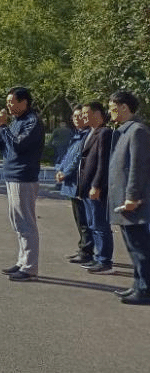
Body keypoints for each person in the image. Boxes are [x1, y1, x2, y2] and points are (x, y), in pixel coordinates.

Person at [0, 86, 46, 282]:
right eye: (7, 102)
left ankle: (30, 267)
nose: (8, 106)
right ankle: (22, 261)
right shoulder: (17, 121)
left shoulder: (32, 122)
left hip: (24, 176)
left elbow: (19, 145)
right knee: (18, 221)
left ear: (24, 102)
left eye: (11, 102)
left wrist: (3, 126)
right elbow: (7, 145)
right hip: (13, 175)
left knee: (26, 222)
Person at [106, 90, 150, 304]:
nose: (110, 112)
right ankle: (138, 284)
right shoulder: (126, 130)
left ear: (124, 107)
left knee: (140, 247)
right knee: (133, 246)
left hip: (132, 202)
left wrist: (132, 196)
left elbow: (137, 168)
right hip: (124, 201)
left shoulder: (137, 131)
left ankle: (145, 290)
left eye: (112, 107)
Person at [78, 101, 113, 274]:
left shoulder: (104, 132)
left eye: (86, 113)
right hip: (86, 187)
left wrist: (97, 185)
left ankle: (104, 261)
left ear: (98, 114)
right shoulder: (90, 132)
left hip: (95, 187)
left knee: (100, 224)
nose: (83, 116)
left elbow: (103, 162)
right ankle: (98, 257)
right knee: (92, 224)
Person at [56, 106, 93, 264]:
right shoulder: (77, 135)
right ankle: (83, 247)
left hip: (79, 183)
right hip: (71, 183)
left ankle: (87, 251)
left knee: (84, 220)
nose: (77, 119)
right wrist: (60, 169)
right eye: (74, 116)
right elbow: (67, 156)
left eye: (80, 116)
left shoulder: (87, 136)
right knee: (79, 219)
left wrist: (65, 173)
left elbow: (78, 158)